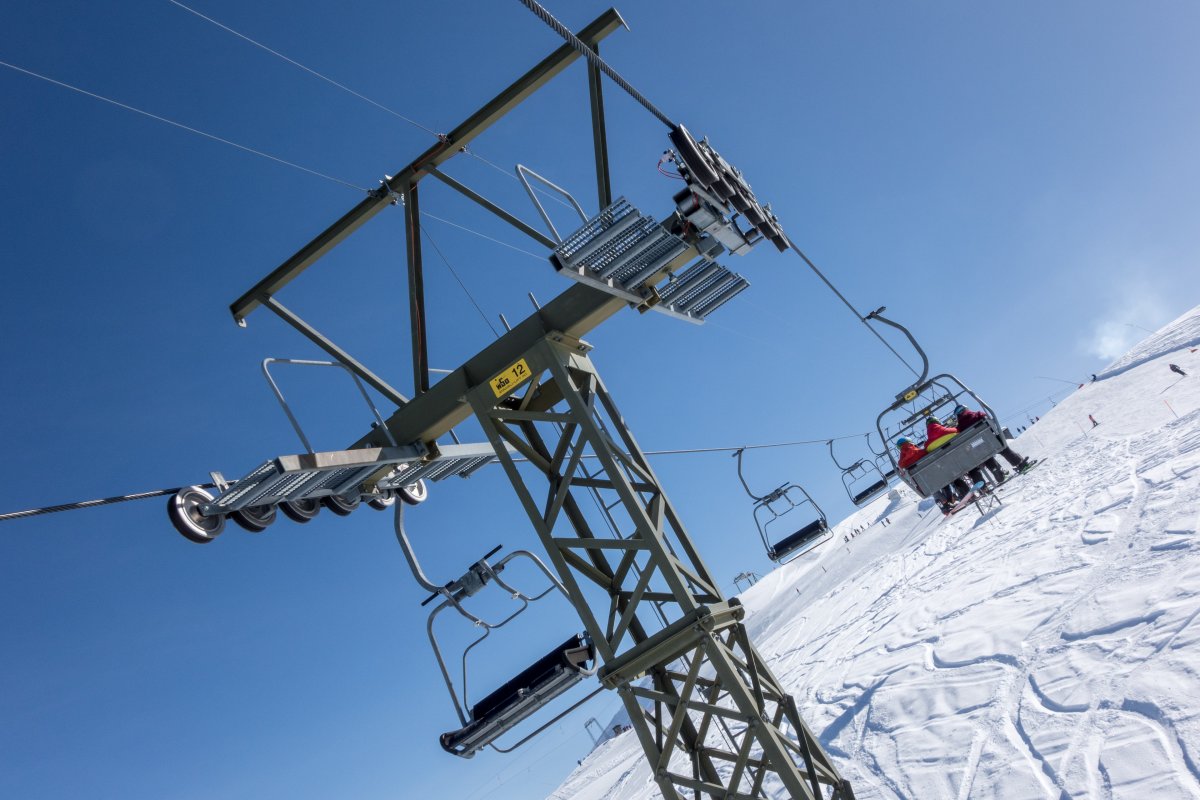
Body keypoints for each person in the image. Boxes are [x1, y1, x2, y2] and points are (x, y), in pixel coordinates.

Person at [954, 404, 1033, 475]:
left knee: (984, 455)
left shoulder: (959, 427)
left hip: (978, 447)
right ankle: (1019, 463)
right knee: (1003, 447)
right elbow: (990, 423)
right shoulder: (978, 414)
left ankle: (997, 472)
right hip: (990, 440)